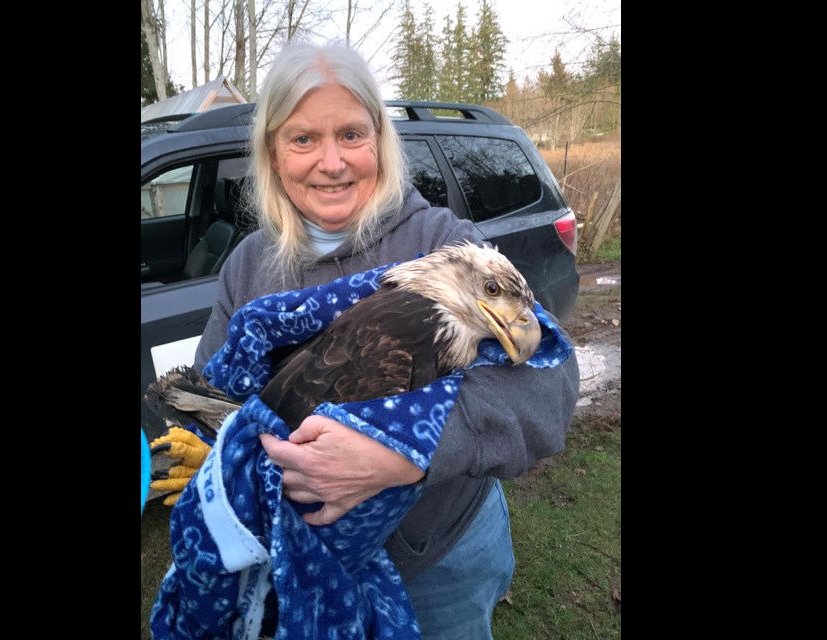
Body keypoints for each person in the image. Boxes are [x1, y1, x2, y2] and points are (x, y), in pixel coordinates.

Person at [189, 41, 580, 639]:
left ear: (380, 140)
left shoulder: (446, 244)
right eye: (303, 139)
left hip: (441, 555)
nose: (332, 161)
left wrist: (407, 452)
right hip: (301, 556)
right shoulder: (247, 268)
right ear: (272, 153)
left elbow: (547, 385)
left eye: (351, 134)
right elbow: (213, 400)